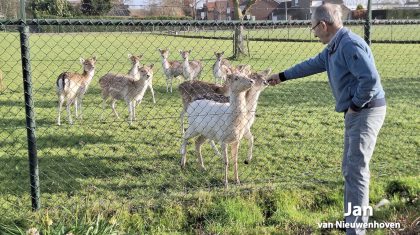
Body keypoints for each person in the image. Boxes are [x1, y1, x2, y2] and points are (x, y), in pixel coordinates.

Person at [267, 3, 386, 235]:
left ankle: (356, 230)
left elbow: (370, 81)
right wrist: (282, 76)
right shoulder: (334, 47)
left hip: (366, 111)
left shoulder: (349, 45)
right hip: (358, 111)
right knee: (351, 169)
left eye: (313, 28)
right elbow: (312, 64)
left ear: (323, 25)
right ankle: (353, 223)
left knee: (357, 170)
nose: (314, 33)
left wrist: (354, 106)